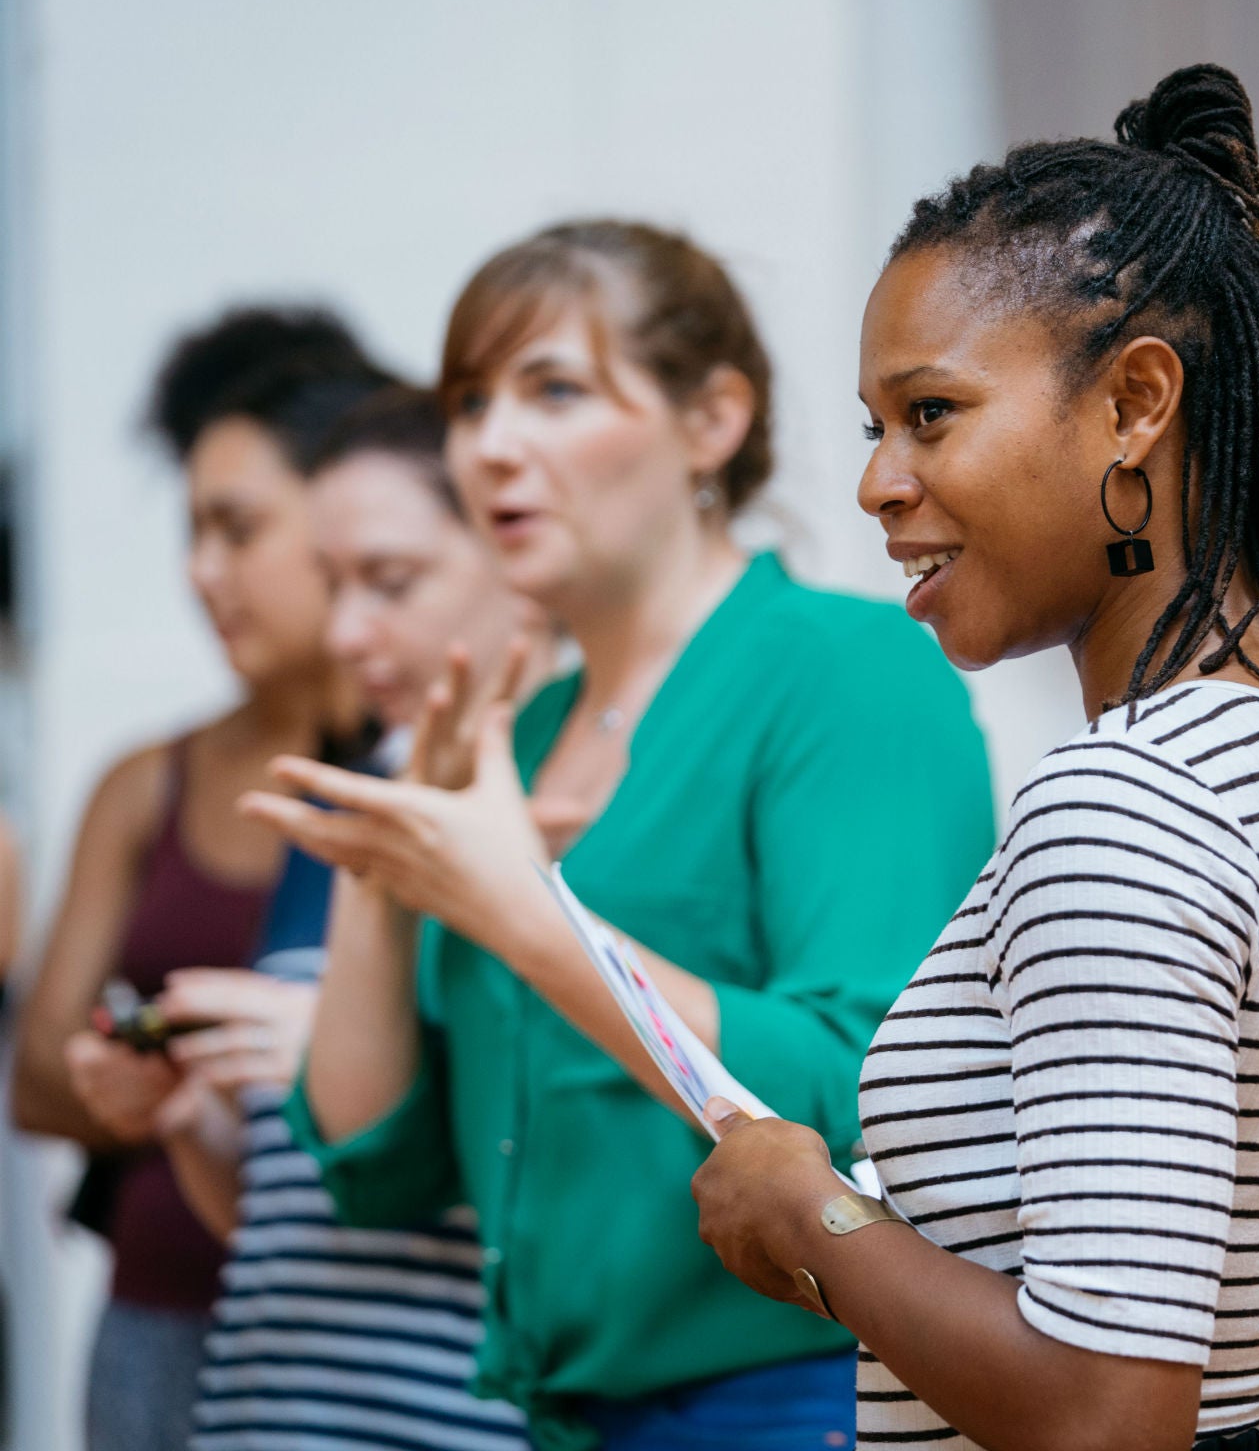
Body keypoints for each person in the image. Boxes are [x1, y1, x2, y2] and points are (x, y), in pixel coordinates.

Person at [677, 65, 1259, 1451]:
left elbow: (1106, 1417)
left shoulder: (1126, 808)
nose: (878, 481)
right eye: (877, 430)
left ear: (1137, 403)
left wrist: (811, 1213)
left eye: (931, 414)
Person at [245, 220, 996, 1450]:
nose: (490, 446)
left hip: (797, 1405)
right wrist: (380, 880)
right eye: (470, 401)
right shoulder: (525, 727)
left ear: (711, 421)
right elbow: (380, 1166)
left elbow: (869, 1097)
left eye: (552, 391)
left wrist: (513, 908)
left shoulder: (847, 670)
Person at [11, 308, 382, 1451]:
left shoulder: (432, 771)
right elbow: (34, 1078)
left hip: (359, 1333)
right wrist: (147, 1083)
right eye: (192, 533)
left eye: (237, 529)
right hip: (156, 1319)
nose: (202, 572)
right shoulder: (145, 782)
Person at [151, 384, 545, 1450]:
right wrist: (202, 1120)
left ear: (520, 553)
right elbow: (294, 1214)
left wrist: (336, 1056)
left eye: (392, 581)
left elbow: (590, 1171)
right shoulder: (330, 803)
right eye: (331, 585)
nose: (344, 632)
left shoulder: (570, 802)